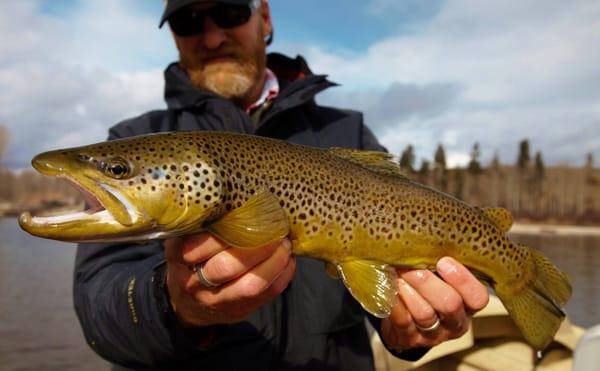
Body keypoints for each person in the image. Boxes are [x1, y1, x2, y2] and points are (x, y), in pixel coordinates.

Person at [73, 0, 489, 369]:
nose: (213, 36)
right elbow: (100, 315)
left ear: (265, 17)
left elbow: (387, 298)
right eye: (188, 21)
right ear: (175, 39)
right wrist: (172, 303)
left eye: (230, 12)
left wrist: (406, 334)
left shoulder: (345, 131)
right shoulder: (135, 142)